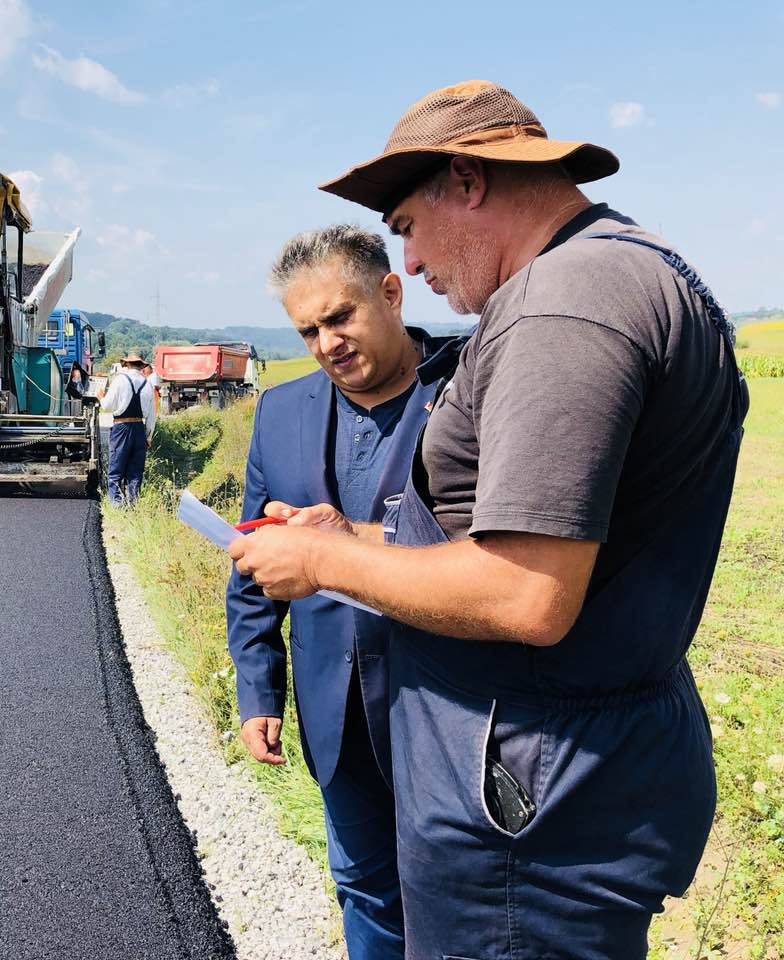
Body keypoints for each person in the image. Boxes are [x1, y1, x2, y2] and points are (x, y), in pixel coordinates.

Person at [228, 80, 747, 960]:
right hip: (559, 774)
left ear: (467, 181)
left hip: (528, 797)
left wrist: (320, 568)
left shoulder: (562, 310)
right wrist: (341, 536)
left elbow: (522, 592)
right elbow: (505, 539)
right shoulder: (632, 269)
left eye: (407, 227)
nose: (415, 262)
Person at [227, 225, 465, 959]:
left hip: (451, 711)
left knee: (460, 904)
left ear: (390, 293)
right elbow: (251, 565)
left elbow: (499, 555)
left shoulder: (468, 392)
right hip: (336, 712)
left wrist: (344, 543)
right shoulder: (281, 411)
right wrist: (259, 690)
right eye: (308, 330)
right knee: (363, 888)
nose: (327, 342)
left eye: (340, 317)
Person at [99, 352, 155, 505]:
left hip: (121, 427)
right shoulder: (147, 384)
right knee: (136, 470)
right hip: (139, 428)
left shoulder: (120, 380)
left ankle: (117, 504)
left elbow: (107, 406)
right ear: (141, 366)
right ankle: (133, 502)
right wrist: (148, 437)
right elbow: (151, 416)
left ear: (127, 364)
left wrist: (100, 397)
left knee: (116, 466)